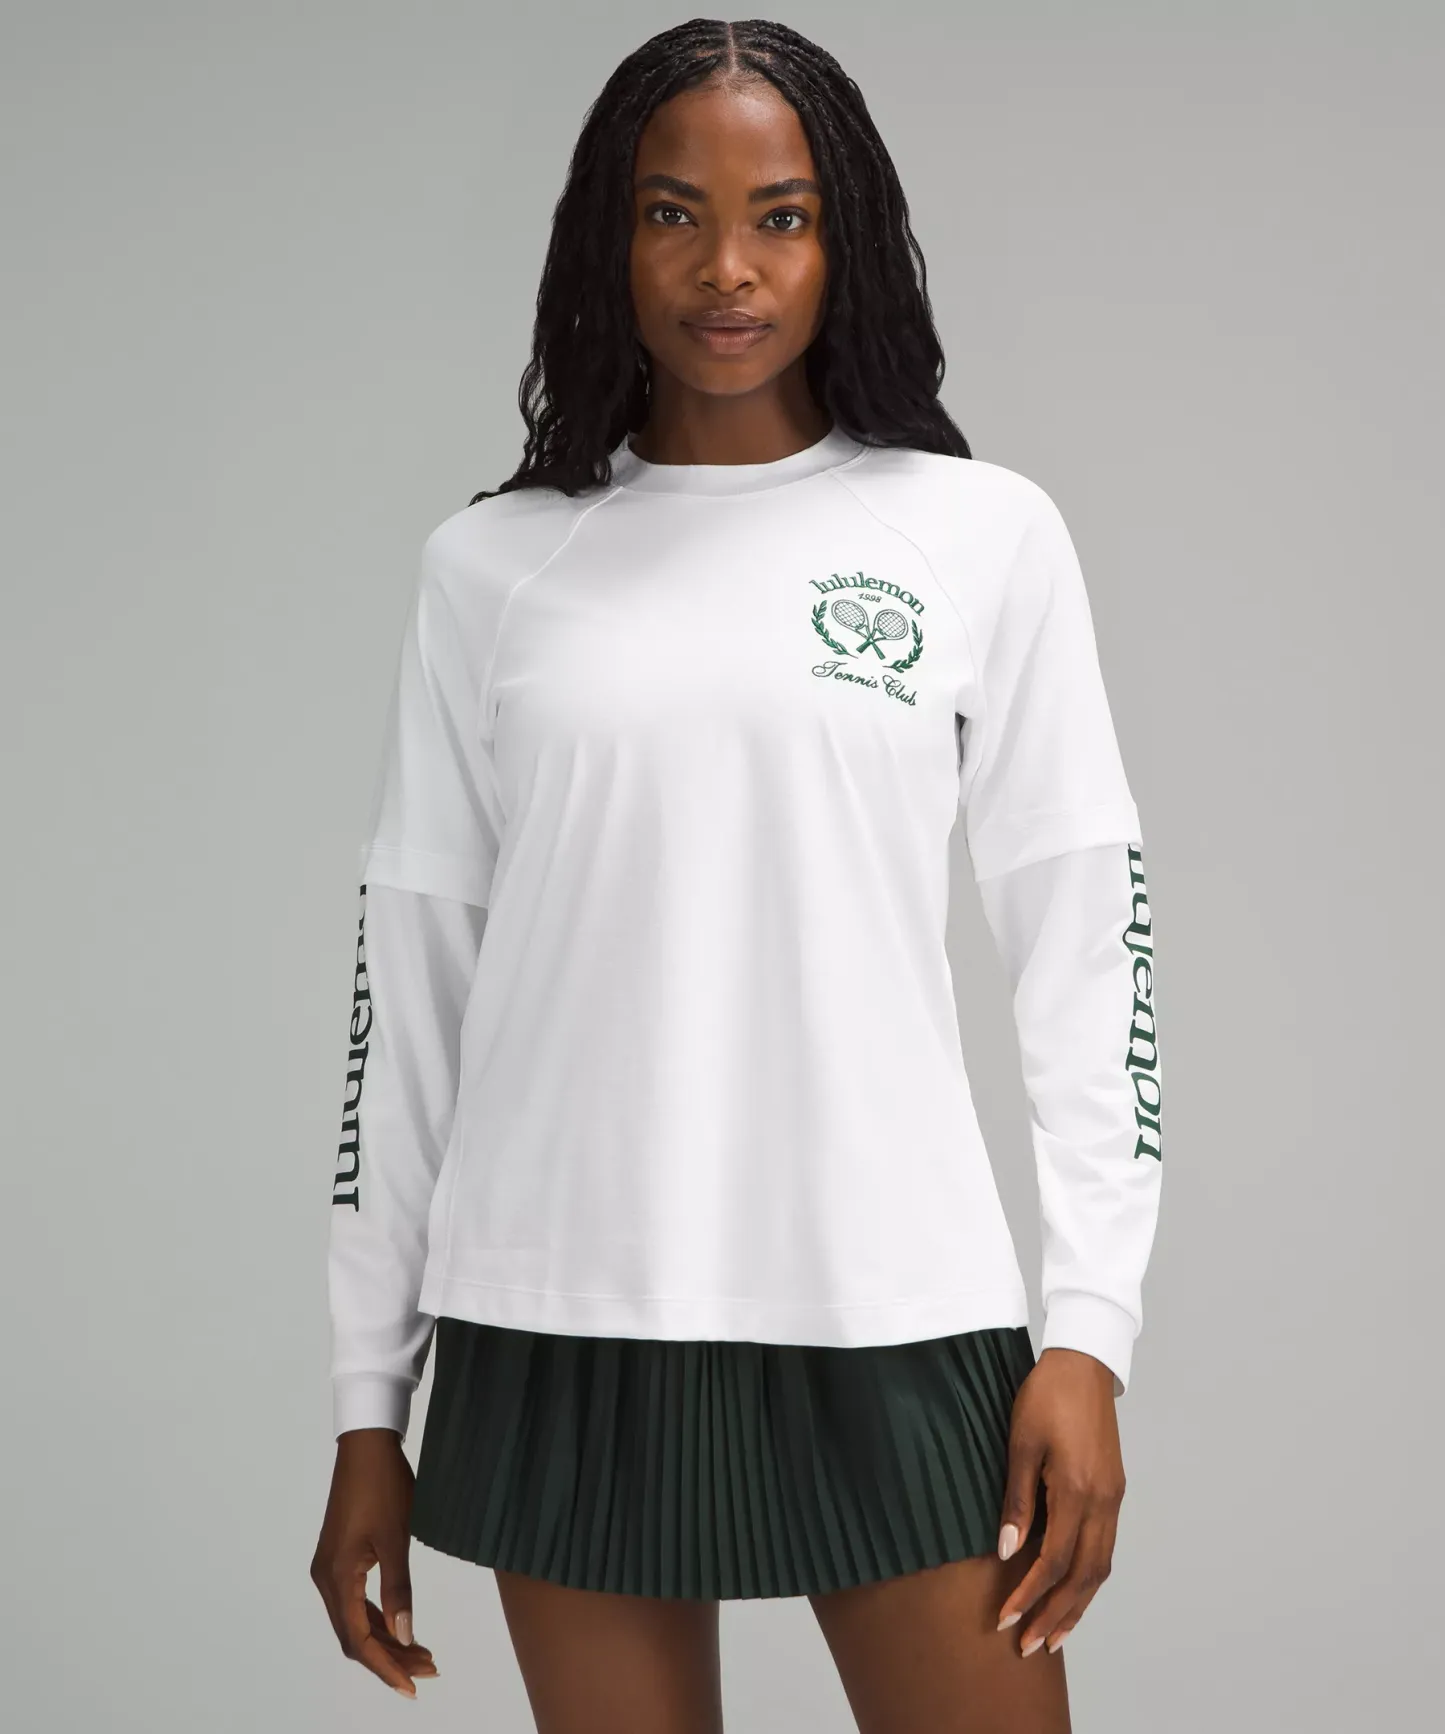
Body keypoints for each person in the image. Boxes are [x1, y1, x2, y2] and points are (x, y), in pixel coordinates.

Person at [309, 17, 1162, 1733]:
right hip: (555, 1309)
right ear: (604, 240)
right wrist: (365, 1403)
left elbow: (1090, 947)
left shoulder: (977, 534)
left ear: (846, 239)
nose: (727, 268)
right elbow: (412, 994)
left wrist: (1088, 1331)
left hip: (890, 1293)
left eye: (781, 216)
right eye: (671, 213)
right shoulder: (493, 568)